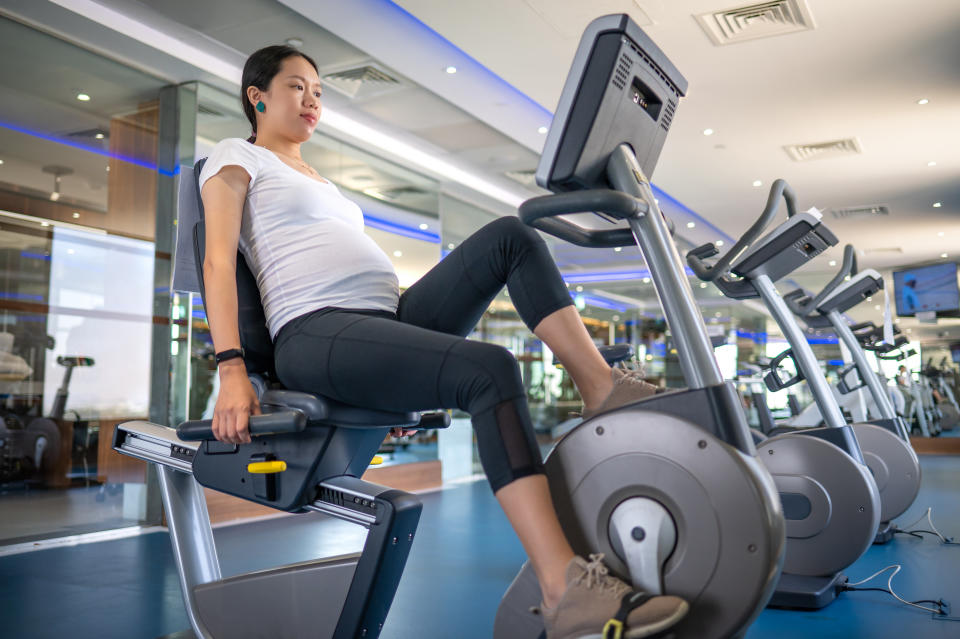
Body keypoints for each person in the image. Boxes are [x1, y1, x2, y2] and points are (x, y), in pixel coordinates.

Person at [199, 45, 688, 639]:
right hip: (317, 331)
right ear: (258, 97)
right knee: (490, 369)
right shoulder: (234, 157)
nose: (312, 101)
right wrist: (231, 368)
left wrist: (396, 370)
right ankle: (565, 589)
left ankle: (599, 388)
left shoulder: (319, 180)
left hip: (386, 324)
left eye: (319, 92)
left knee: (512, 236)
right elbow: (218, 262)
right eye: (298, 87)